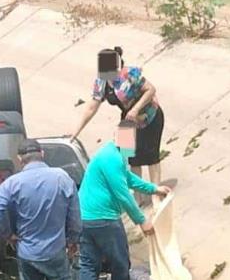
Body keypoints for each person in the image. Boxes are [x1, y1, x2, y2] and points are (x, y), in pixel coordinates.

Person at [0, 139, 82, 280]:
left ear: (19, 158)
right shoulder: (62, 177)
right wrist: (73, 240)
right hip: (56, 250)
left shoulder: (12, 184)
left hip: (27, 252)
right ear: (42, 154)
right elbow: (75, 216)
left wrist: (8, 235)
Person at [78, 121, 171, 280]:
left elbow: (127, 177)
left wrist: (153, 188)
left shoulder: (113, 153)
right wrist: (142, 221)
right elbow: (123, 194)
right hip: (104, 218)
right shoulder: (112, 158)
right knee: (119, 260)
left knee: (88, 262)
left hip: (85, 217)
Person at [70, 46, 165, 204]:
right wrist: (76, 132)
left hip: (149, 114)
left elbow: (151, 90)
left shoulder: (129, 74)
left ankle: (156, 194)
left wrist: (135, 109)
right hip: (127, 119)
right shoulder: (101, 82)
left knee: (151, 155)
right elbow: (92, 107)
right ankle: (138, 196)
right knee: (129, 157)